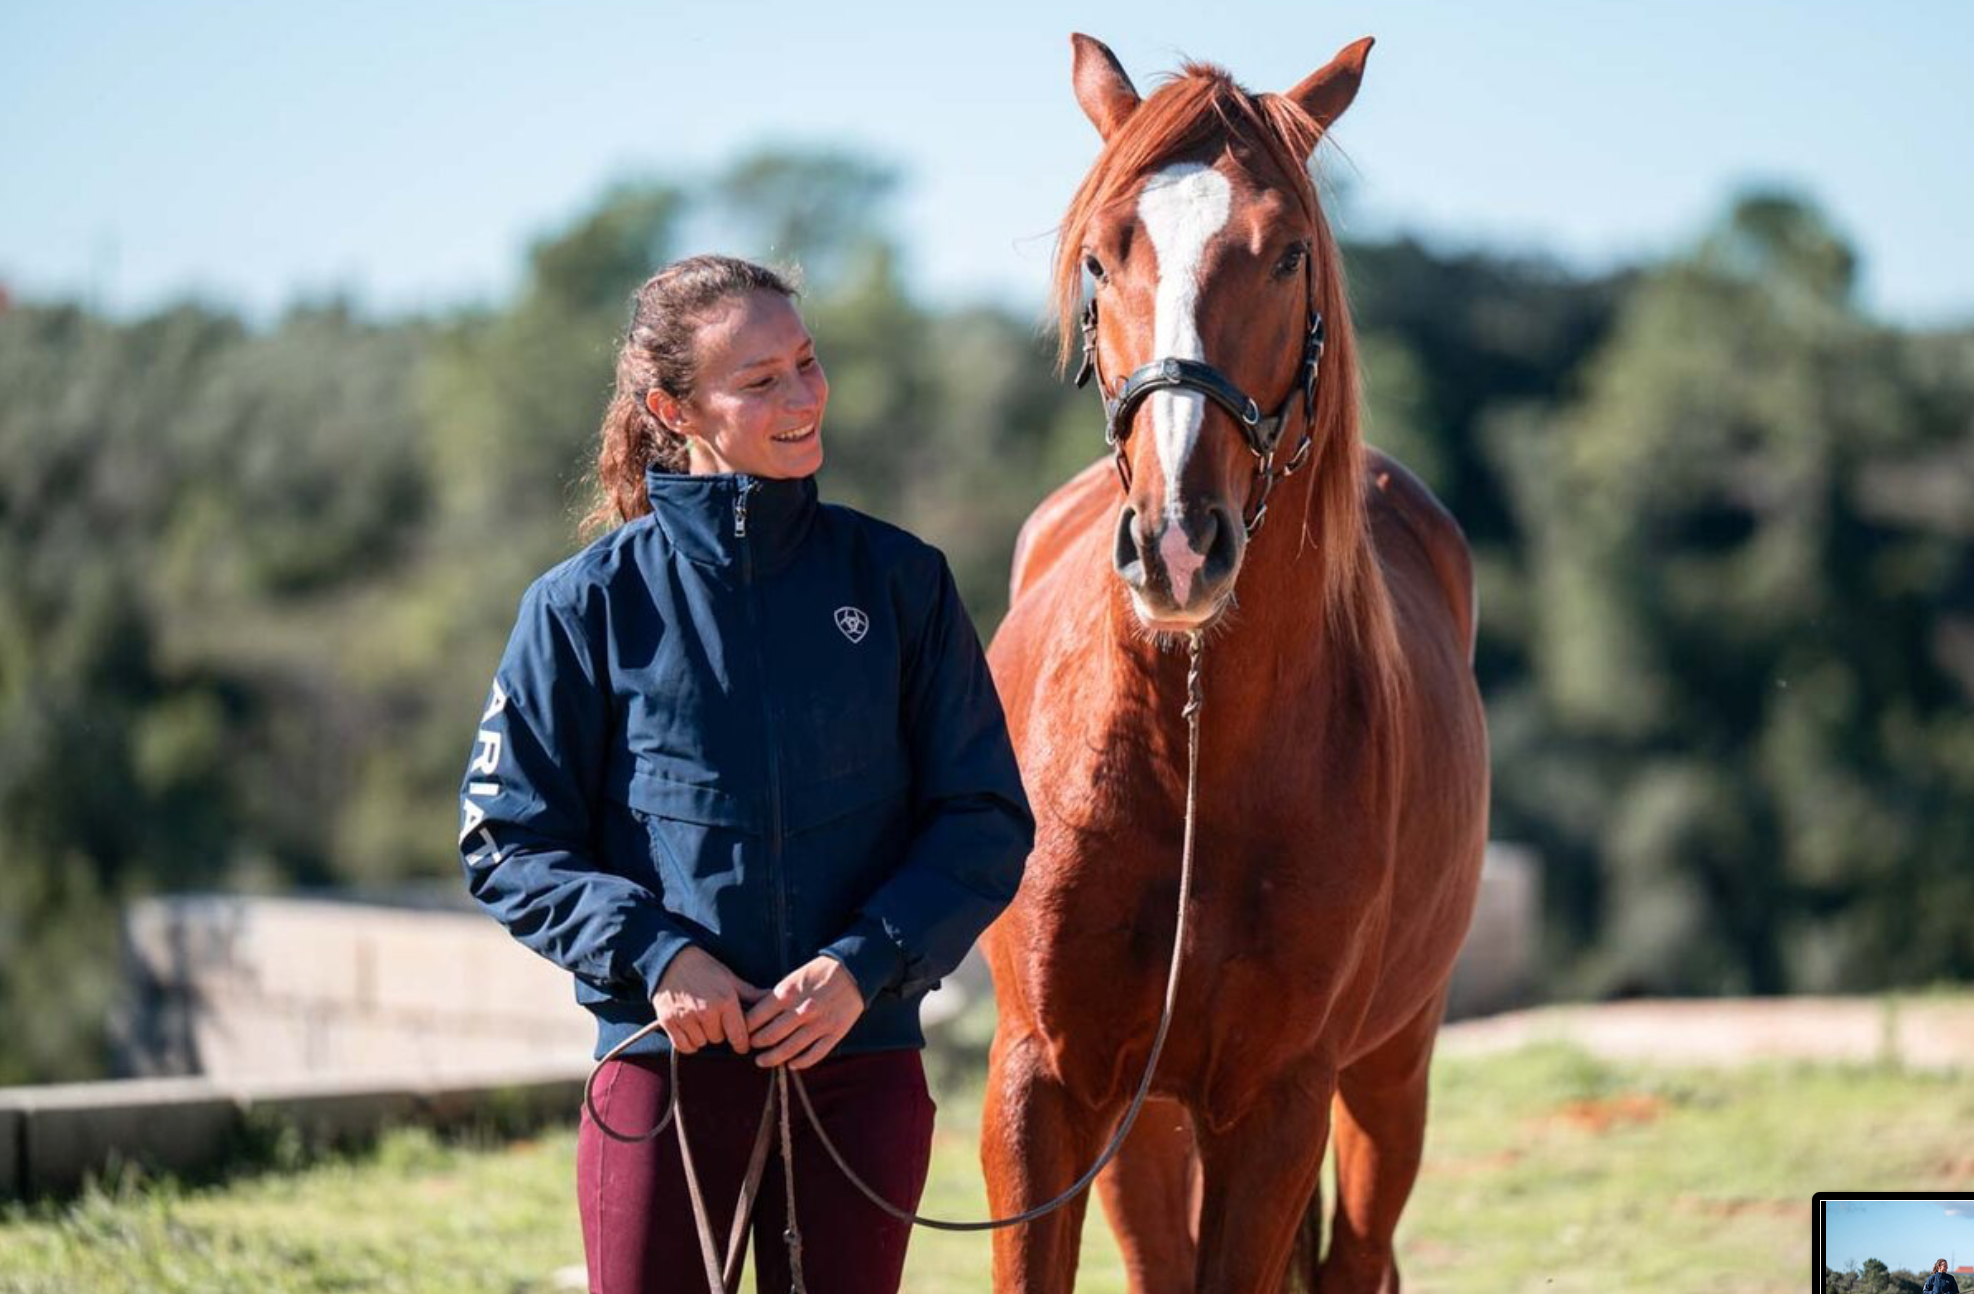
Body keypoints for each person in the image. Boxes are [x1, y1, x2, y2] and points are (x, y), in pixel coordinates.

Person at [456, 254, 1034, 1293]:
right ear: (675, 408)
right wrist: (656, 955)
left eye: (806, 364)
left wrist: (864, 964)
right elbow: (508, 839)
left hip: (857, 1065)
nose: (803, 397)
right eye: (759, 381)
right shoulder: (583, 607)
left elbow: (983, 818)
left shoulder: (902, 583)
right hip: (660, 1070)